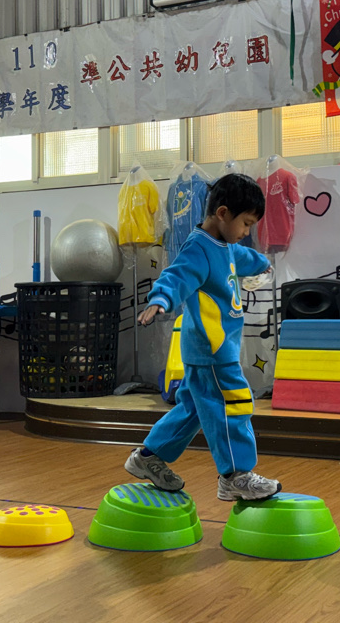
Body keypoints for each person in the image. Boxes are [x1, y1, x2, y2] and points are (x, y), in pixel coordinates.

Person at [124, 173, 282, 501]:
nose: (247, 232)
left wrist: (262, 264)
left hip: (212, 348)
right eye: (246, 223)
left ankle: (148, 458)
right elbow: (176, 275)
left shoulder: (225, 247)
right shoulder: (198, 247)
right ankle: (236, 475)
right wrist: (160, 299)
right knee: (234, 402)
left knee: (194, 409)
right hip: (213, 350)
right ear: (222, 213)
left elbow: (244, 257)